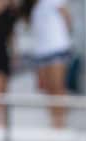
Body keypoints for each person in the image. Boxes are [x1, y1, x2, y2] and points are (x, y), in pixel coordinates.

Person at [22, 0, 72, 128]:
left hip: (57, 48)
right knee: (48, 88)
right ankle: (54, 119)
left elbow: (67, 17)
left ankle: (60, 122)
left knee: (57, 85)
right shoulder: (33, 7)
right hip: (41, 51)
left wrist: (64, 37)